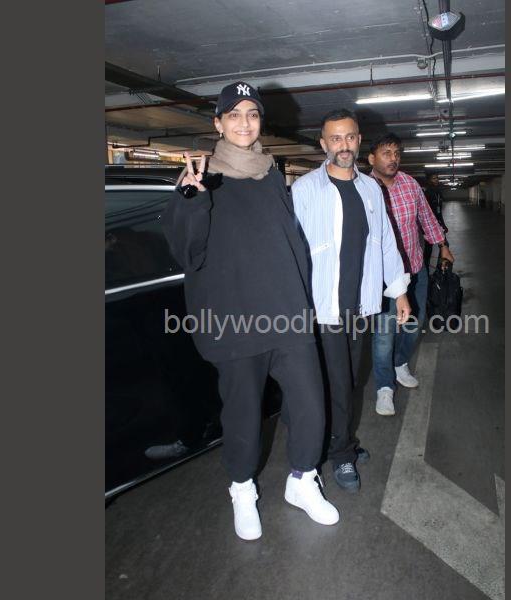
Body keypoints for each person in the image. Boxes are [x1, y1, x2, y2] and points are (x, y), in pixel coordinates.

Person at [161, 81, 339, 541]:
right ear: (218, 124)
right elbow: (186, 253)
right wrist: (193, 200)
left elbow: (290, 242)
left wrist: (304, 301)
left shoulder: (271, 175)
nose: (245, 123)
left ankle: (303, 480)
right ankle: (242, 490)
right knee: (243, 418)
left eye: (253, 114)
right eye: (234, 115)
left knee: (311, 406)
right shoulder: (200, 181)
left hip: (287, 314)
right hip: (235, 322)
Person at [292, 109, 410, 492]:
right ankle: (341, 453)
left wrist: (399, 290)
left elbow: (385, 242)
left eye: (349, 137)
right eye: (335, 138)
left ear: (359, 141)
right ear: (323, 143)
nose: (343, 145)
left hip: (360, 305)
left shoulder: (371, 189)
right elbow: (291, 249)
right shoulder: (305, 189)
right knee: (337, 383)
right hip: (322, 306)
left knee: (350, 380)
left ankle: (339, 439)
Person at [368, 133, 455, 415]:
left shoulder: (410, 184)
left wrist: (442, 245)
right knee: (384, 333)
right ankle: (384, 387)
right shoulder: (363, 188)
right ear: (371, 158)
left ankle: (400, 363)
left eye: (396, 153)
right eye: (386, 153)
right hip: (384, 277)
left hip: (415, 268)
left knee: (415, 323)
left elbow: (426, 218)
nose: (393, 158)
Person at [422, 173, 449, 269]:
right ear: (429, 180)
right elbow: (423, 210)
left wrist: (443, 224)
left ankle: (440, 268)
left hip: (437, 223)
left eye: (437, 178)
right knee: (429, 248)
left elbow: (439, 211)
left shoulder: (438, 192)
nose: (436, 180)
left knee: (444, 245)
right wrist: (423, 228)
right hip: (429, 224)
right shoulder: (427, 193)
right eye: (434, 178)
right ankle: (425, 269)